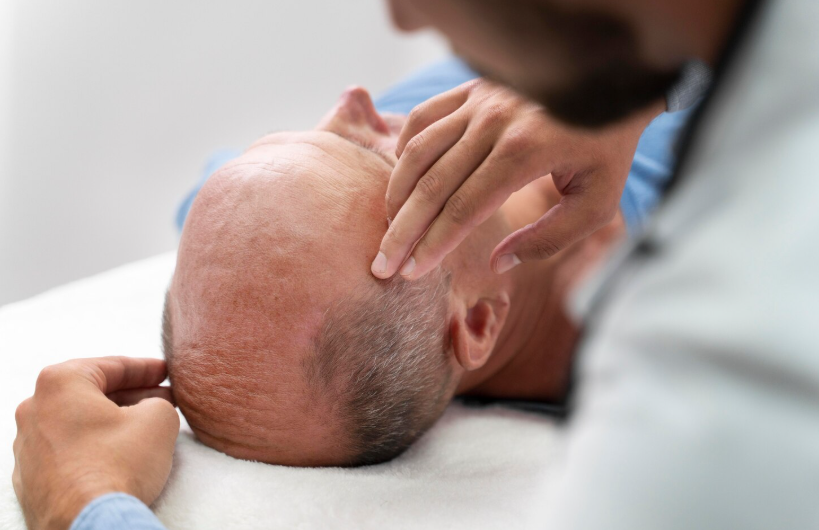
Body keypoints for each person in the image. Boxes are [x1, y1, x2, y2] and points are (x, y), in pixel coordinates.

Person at [24, 0, 819, 526]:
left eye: (310, 138)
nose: (359, 102)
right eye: (384, 160)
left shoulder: (559, 59)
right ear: (476, 321)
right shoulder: (741, 327)